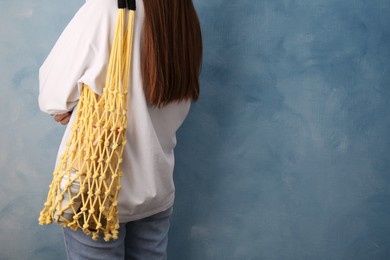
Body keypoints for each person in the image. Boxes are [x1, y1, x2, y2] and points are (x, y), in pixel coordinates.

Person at [38, 0, 202, 259]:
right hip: (155, 188)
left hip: (95, 192)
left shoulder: (106, 8)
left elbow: (54, 95)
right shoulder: (181, 13)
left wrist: (74, 106)